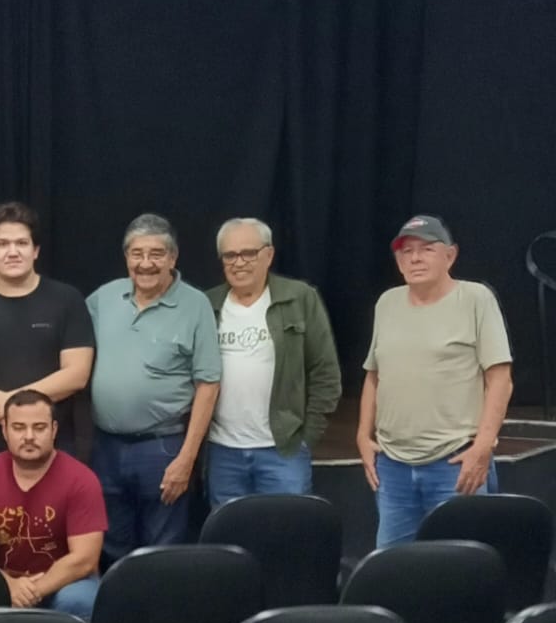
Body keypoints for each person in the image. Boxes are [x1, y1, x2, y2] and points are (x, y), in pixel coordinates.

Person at [357, 215, 513, 547]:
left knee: (462, 570)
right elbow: (374, 376)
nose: (415, 258)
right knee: (394, 571)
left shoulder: (475, 299)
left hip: (455, 465)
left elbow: (500, 379)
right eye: (406, 252)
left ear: (450, 256)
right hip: (393, 469)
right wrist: (361, 435)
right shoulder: (387, 303)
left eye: (427, 249)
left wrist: (483, 446)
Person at [86, 213, 221, 560]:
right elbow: (62, 328)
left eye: (156, 254)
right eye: (137, 253)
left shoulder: (195, 305)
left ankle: (159, 615)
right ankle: (117, 614)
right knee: (110, 546)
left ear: (173, 258)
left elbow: (208, 383)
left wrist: (186, 459)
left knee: (161, 553)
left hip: (162, 449)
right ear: (126, 257)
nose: (145, 263)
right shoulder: (104, 298)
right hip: (106, 448)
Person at [0, 202, 95, 477]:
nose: (12, 252)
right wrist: (12, 413)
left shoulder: (67, 300)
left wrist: (10, 404)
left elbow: (76, 374)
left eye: (21, 243)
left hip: (54, 452)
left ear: (35, 250)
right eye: (2, 244)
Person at [203, 218, 341, 505]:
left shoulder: (299, 298)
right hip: (222, 452)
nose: (238, 262)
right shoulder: (207, 305)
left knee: (285, 536)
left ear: (269, 255)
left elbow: (325, 373)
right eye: (230, 255)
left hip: (283, 451)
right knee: (229, 538)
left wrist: (307, 438)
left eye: (248, 253)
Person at [0, 390, 106, 621]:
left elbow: (85, 559)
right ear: (5, 430)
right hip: (2, 580)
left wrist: (32, 591)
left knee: (78, 600)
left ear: (54, 430)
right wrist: (8, 585)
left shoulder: (81, 480)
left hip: (66, 583)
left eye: (39, 427)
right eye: (18, 427)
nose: (28, 436)